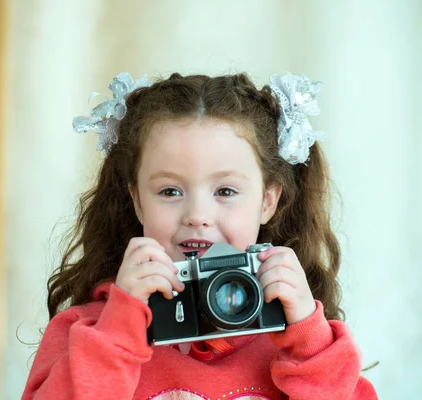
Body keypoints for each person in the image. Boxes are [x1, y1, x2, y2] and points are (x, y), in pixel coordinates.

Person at [21, 72, 378, 399]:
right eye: (170, 192)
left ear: (268, 201)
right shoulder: (86, 331)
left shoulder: (304, 343)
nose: (197, 216)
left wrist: (309, 341)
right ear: (137, 202)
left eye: (225, 191)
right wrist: (120, 328)